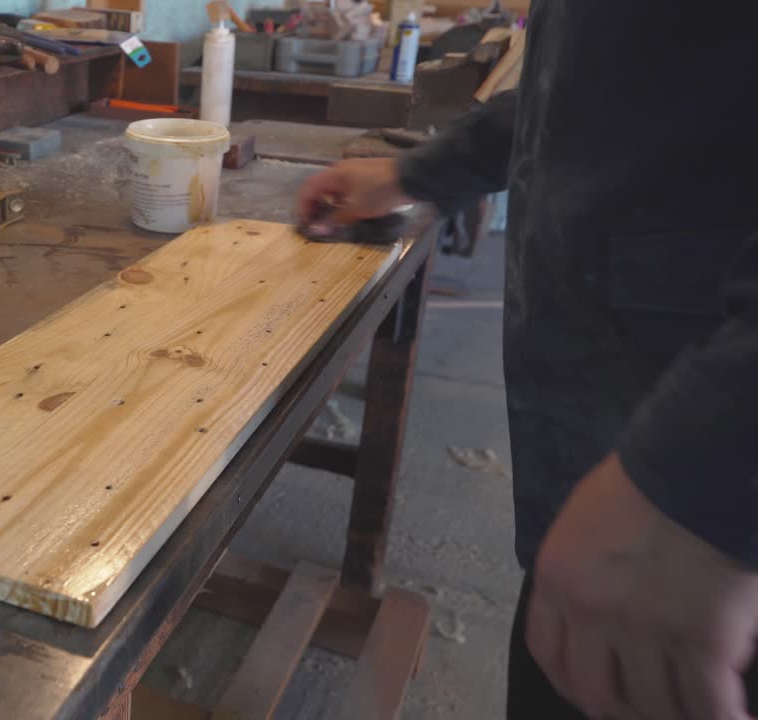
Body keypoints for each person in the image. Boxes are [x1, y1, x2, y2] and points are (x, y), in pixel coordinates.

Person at [297, 4, 758, 718]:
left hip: (700, 532)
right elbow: (581, 86)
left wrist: (703, 471)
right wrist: (416, 173)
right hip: (603, 469)